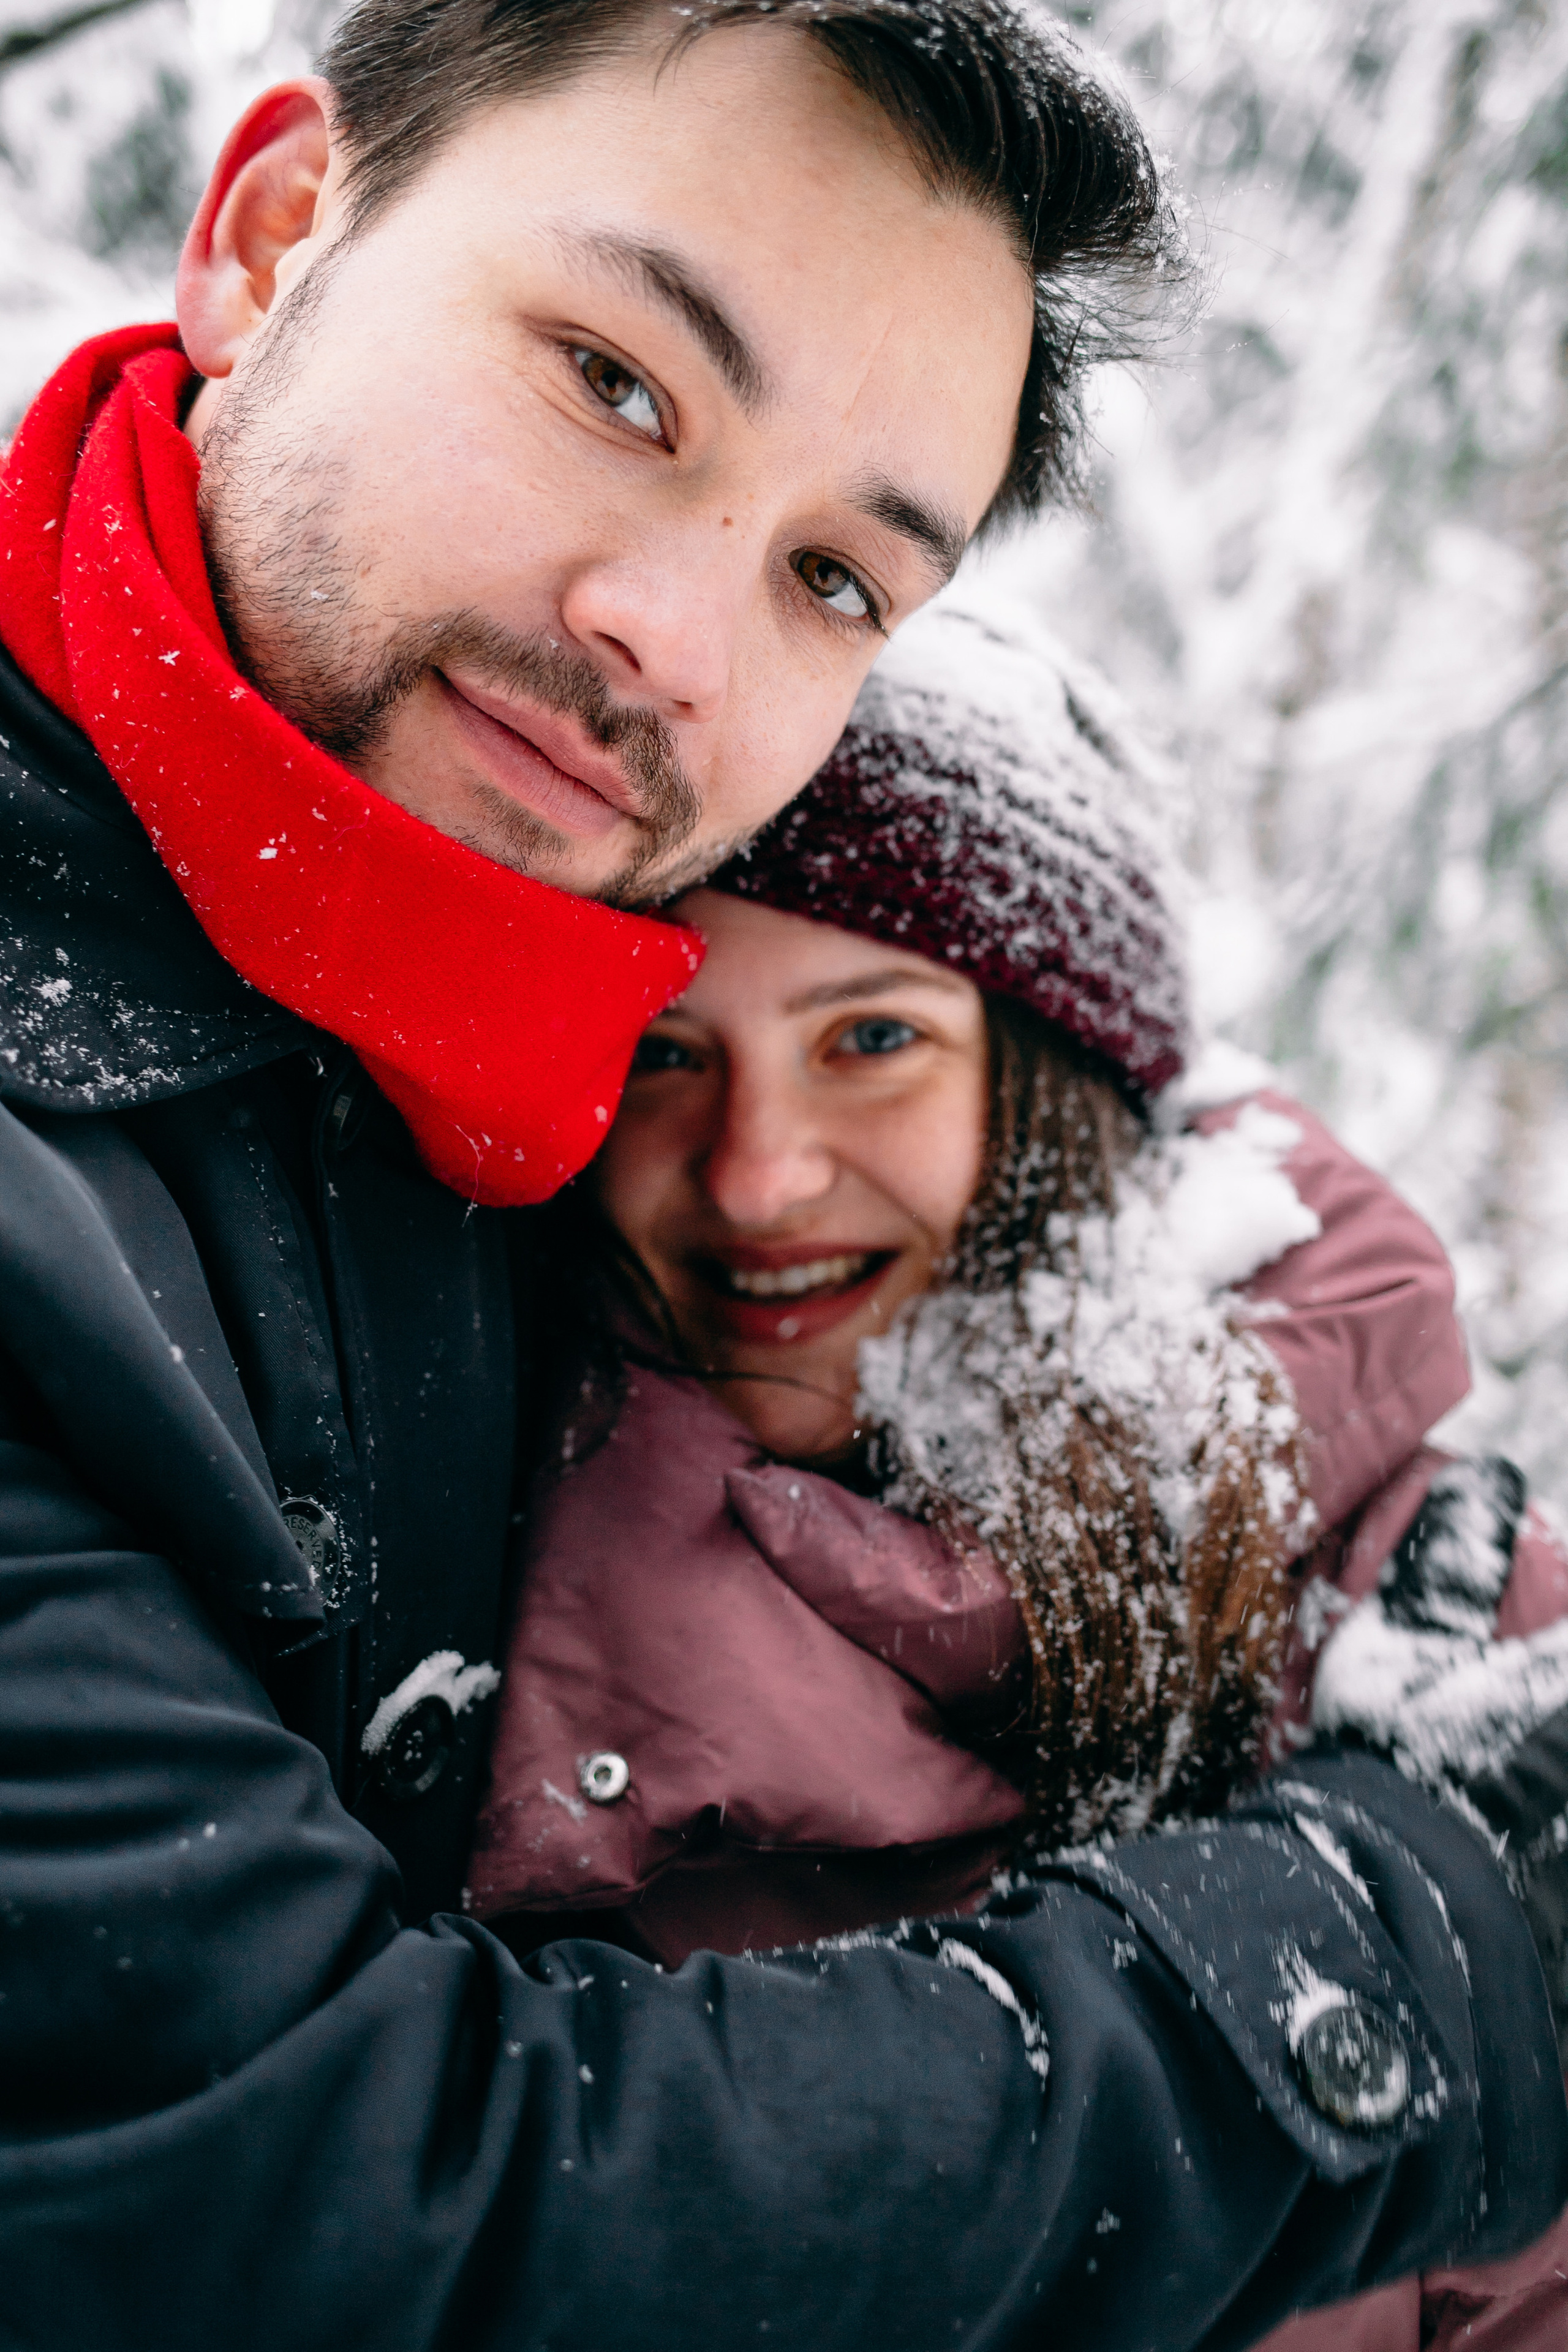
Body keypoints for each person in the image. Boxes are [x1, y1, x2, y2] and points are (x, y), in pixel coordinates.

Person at [1, 2, 1567, 2344]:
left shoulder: (463, 1054)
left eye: (837, 576)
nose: (674, 635)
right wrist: (1392, 1966)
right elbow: (319, 2217)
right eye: (617, 382)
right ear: (274, 233)